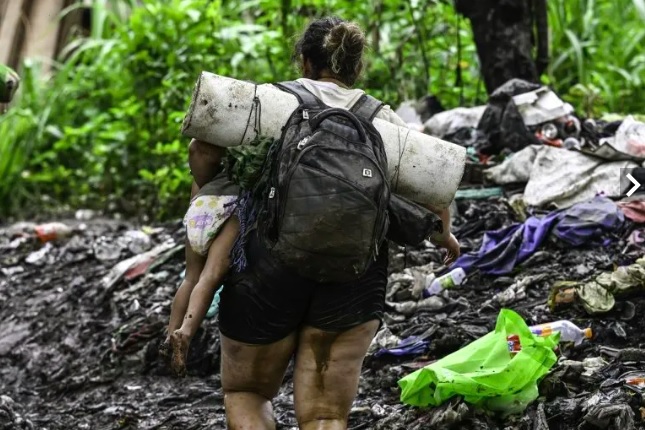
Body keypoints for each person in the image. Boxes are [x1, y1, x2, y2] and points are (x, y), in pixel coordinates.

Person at [186, 17, 460, 429]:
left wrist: (212, 191)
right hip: (354, 274)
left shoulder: (269, 102)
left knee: (247, 394)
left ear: (305, 61)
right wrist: (447, 236)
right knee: (326, 415)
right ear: (356, 67)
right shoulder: (384, 121)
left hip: (267, 267)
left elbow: (202, 150)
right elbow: (436, 193)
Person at [162, 143, 240, 377]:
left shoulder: (206, 166)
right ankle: (185, 332)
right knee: (210, 277)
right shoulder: (249, 165)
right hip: (232, 207)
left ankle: (170, 333)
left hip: (201, 207)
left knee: (191, 277)